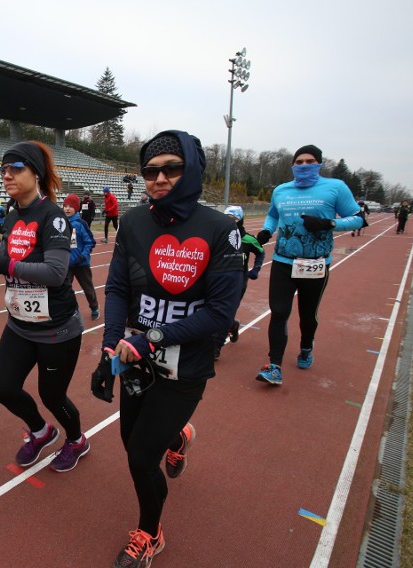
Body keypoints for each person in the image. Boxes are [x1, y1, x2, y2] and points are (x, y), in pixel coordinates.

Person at [90, 130, 243, 568]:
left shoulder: (220, 229)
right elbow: (118, 287)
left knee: (140, 458)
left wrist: (150, 338)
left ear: (191, 170)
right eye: (151, 171)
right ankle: (177, 438)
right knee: (131, 443)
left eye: (172, 168)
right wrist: (107, 349)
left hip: (185, 366)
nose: (160, 178)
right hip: (135, 361)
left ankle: (150, 532)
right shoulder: (134, 221)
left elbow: (219, 313)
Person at [0, 140, 89, 473]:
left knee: (53, 396)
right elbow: (9, 256)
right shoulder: (10, 214)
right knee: (3, 388)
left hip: (56, 330)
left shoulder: (54, 218)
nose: (7, 175)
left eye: (16, 169)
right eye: (4, 170)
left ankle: (77, 440)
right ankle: (41, 431)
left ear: (35, 173)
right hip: (20, 323)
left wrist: (4, 266)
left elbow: (55, 272)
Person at [253, 144, 364, 385]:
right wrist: (266, 231)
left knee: (307, 315)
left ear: (319, 164)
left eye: (309, 161)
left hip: (314, 264)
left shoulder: (335, 188)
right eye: (299, 162)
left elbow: (359, 219)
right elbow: (273, 214)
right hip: (283, 262)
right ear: (293, 165)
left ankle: (305, 347)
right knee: (279, 312)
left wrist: (329, 225)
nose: (304, 165)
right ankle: (274, 366)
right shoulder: (281, 190)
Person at [213, 205, 265, 360]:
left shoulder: (248, 239)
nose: (230, 222)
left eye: (234, 219)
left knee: (226, 311)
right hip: (217, 278)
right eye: (227, 218)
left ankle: (216, 346)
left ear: (240, 220)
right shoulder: (218, 236)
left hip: (238, 280)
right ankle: (232, 324)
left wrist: (256, 269)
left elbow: (261, 253)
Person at [62, 193, 100, 320]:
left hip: (81, 264)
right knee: (65, 289)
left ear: (76, 208)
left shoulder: (81, 223)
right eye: (65, 206)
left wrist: (83, 256)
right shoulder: (60, 223)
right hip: (67, 264)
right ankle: (70, 310)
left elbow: (91, 242)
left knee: (87, 288)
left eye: (70, 206)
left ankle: (94, 307)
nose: (67, 209)